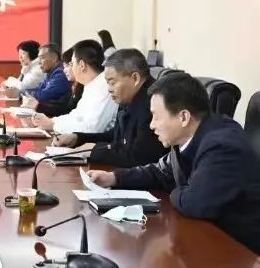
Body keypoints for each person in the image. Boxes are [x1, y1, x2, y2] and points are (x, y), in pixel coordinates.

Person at [88, 73, 260, 255]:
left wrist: (175, 190)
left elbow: (195, 203)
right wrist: (114, 178)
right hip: (206, 236)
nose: (152, 125)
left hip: (238, 249)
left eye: (156, 117)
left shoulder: (222, 145)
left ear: (183, 117)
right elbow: (161, 171)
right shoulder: (188, 137)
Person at [53, 49, 167, 167]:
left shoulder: (153, 103)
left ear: (135, 78)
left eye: (112, 83)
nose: (109, 89)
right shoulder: (129, 96)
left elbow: (140, 156)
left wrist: (94, 151)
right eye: (107, 83)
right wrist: (78, 138)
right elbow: (115, 136)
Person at [32, 40, 117, 134]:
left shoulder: (104, 87)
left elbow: (92, 129)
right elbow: (76, 116)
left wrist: (53, 125)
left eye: (72, 63)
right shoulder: (91, 85)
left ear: (82, 65)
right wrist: (51, 121)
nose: (69, 68)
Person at [24, 47, 83, 117]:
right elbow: (39, 89)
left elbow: (44, 96)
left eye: (41, 58)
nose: (39, 62)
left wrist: (35, 102)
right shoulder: (50, 72)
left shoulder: (60, 73)